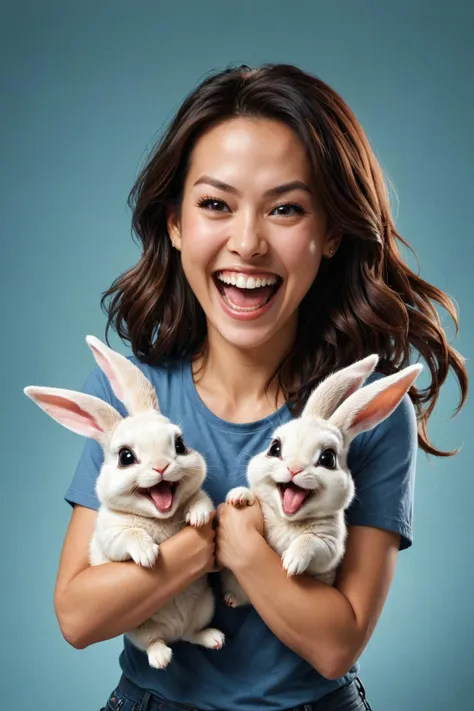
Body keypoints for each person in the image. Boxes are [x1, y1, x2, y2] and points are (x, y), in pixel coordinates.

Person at [56, 64, 467, 711]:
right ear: (174, 222)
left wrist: (250, 553)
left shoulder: (364, 419)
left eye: (286, 208)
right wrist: (196, 548)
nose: (247, 244)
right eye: (216, 204)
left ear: (331, 231)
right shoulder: (138, 401)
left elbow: (338, 644)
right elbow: (79, 614)